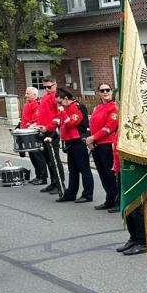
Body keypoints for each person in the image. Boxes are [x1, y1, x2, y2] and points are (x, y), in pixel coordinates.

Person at [54, 87, 93, 203]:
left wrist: (63, 112)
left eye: (60, 102)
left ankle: (87, 194)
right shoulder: (68, 108)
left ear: (66, 99)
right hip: (70, 141)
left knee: (84, 169)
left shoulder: (75, 107)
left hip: (78, 141)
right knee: (73, 170)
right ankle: (71, 193)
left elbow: (72, 123)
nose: (59, 105)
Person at [87, 81, 120, 210]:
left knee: (111, 174)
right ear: (99, 93)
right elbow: (93, 125)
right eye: (102, 90)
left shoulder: (115, 107)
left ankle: (117, 200)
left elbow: (110, 127)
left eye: (107, 90)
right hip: (96, 144)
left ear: (111, 91)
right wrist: (91, 140)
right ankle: (109, 198)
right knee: (103, 174)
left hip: (108, 145)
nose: (105, 92)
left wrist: (92, 138)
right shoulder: (97, 108)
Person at [35, 78, 65, 194]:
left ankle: (59, 183)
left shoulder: (56, 97)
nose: (47, 89)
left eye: (49, 87)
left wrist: (49, 128)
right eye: (45, 87)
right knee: (48, 159)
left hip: (52, 131)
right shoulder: (45, 97)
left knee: (54, 159)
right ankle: (53, 182)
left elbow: (58, 115)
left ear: (55, 84)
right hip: (44, 130)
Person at [20, 86, 49, 185]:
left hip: (33, 134)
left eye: (28, 93)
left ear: (35, 95)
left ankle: (43, 177)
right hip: (26, 133)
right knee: (33, 156)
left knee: (38, 156)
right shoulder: (27, 104)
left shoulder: (36, 105)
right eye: (26, 93)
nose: (25, 95)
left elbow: (36, 120)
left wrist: (28, 126)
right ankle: (38, 175)